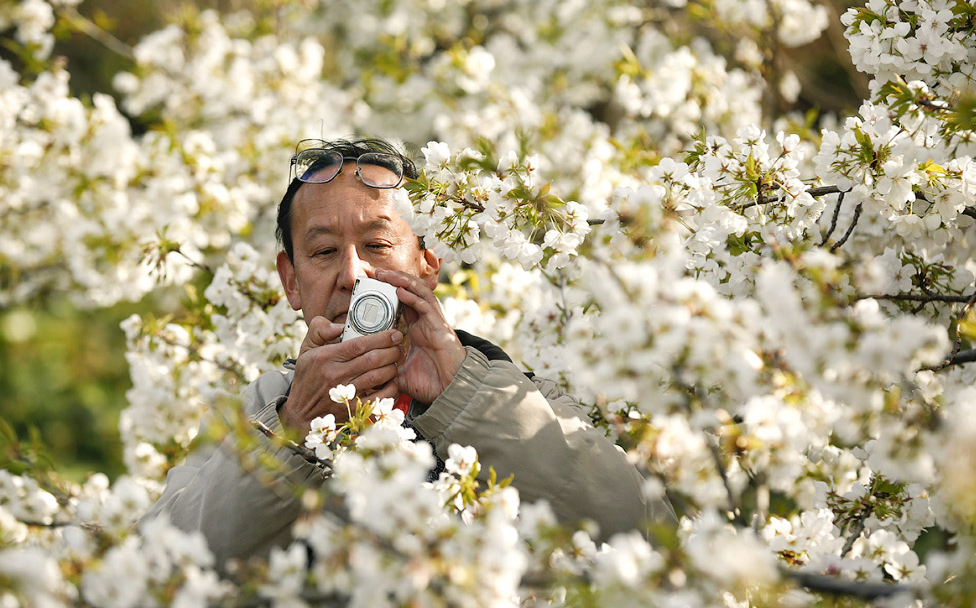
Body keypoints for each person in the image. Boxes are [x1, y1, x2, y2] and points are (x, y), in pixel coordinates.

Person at [144, 137, 674, 566]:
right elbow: (158, 569)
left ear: (427, 263)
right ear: (292, 282)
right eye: (324, 251)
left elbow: (643, 530)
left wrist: (463, 395)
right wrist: (293, 429)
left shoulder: (519, 393)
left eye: (377, 245)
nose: (353, 274)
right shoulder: (253, 414)